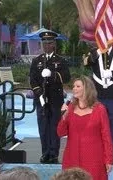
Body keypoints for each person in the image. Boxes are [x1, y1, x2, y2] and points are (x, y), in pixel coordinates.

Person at [57, 76, 113, 180]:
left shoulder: (100, 109)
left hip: (94, 158)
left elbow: (106, 136)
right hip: (72, 157)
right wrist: (64, 117)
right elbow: (60, 133)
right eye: (73, 86)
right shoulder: (70, 107)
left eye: (78, 86)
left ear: (87, 89)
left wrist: (108, 159)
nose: (74, 88)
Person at [29, 30, 71, 163]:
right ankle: (45, 152)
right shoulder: (37, 61)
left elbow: (67, 77)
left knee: (54, 127)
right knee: (43, 127)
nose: (46, 46)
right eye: (44, 43)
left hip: (55, 99)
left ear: (54, 44)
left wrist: (52, 74)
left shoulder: (60, 60)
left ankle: (53, 153)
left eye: (49, 43)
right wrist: (39, 93)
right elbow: (33, 79)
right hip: (41, 99)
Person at [84, 45, 113, 151]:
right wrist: (97, 53)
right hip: (97, 96)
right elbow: (86, 63)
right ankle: (97, 151)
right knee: (96, 125)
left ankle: (110, 152)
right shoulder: (94, 52)